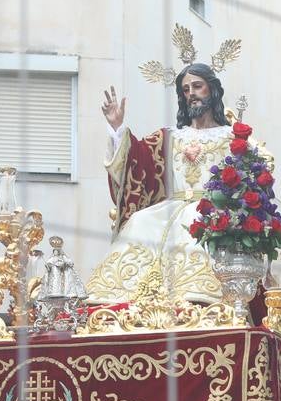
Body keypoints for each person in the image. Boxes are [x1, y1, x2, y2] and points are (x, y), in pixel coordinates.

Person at [92, 41, 262, 304]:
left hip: (213, 210)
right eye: (185, 89)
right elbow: (137, 161)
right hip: (170, 208)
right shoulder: (169, 137)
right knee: (140, 222)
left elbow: (250, 180)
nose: (191, 93)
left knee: (199, 225)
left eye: (197, 86)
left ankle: (197, 298)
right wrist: (117, 128)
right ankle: (125, 299)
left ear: (212, 91)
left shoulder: (233, 137)